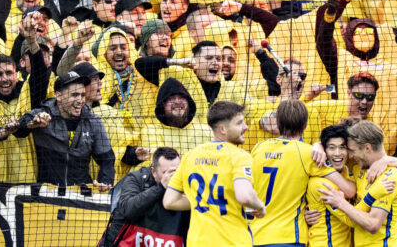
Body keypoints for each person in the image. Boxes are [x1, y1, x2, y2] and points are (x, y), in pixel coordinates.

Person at [251, 99, 354, 247]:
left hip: (256, 236)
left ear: (278, 124)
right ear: (305, 125)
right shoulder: (307, 153)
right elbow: (349, 191)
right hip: (288, 236)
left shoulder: (258, 148)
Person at [164, 101, 266, 246]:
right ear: (222, 129)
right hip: (232, 242)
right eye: (239, 123)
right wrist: (259, 207)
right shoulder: (240, 156)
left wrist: (205, 200)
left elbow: (169, 201)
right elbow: (244, 195)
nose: (246, 127)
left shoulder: (190, 156)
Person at [18, 69, 116, 189]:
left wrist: (105, 182)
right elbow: (19, 129)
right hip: (47, 195)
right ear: (58, 96)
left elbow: (107, 159)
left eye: (82, 95)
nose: (80, 100)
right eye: (74, 95)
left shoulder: (93, 121)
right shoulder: (43, 115)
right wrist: (32, 123)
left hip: (80, 195)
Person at [317, 120, 397, 247]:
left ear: (367, 148)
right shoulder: (359, 170)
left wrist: (340, 203)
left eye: (352, 150)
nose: (351, 156)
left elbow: (373, 224)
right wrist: (318, 145)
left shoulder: (388, 178)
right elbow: (354, 217)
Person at [98, 147, 188, 247]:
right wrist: (161, 187)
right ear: (153, 171)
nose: (171, 177)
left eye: (176, 172)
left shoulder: (187, 185)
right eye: (165, 173)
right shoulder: (136, 179)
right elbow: (128, 210)